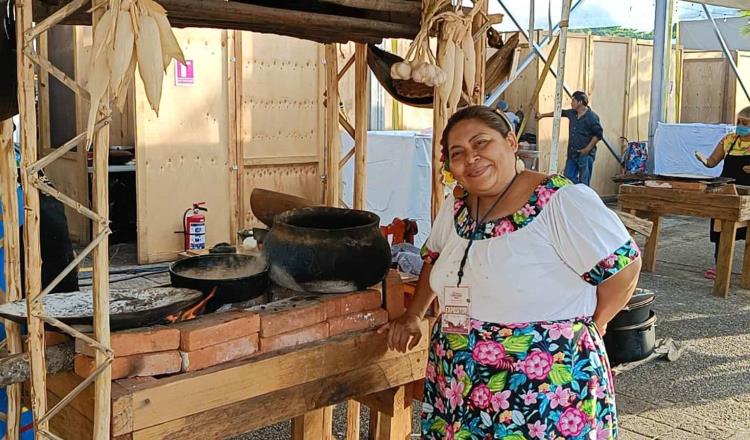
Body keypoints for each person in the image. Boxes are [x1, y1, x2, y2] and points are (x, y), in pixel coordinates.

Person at [379, 105, 641, 439]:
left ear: (511, 142)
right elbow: (434, 256)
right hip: (460, 373)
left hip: (540, 381)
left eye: (481, 143)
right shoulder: (457, 206)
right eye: (457, 152)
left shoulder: (560, 201)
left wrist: (594, 322)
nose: (471, 158)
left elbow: (623, 268)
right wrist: (414, 314)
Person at [695, 106, 750, 280]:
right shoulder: (729, 139)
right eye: (738, 122)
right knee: (721, 225)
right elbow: (712, 162)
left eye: (745, 123)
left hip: (748, 192)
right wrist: (704, 160)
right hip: (728, 190)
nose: (740, 126)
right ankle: (720, 263)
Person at [536, 91, 603, 186]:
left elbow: (598, 135)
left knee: (584, 182)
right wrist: (542, 115)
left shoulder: (592, 117)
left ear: (580, 102)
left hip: (585, 155)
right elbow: (559, 112)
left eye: (573, 100)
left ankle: (582, 195)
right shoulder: (572, 113)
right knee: (567, 178)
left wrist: (587, 149)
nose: (571, 103)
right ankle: (577, 190)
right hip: (572, 154)